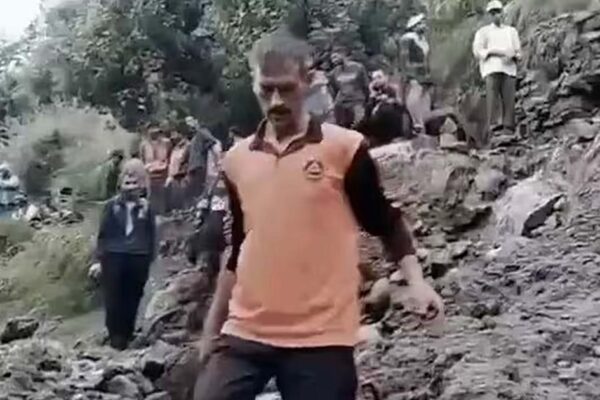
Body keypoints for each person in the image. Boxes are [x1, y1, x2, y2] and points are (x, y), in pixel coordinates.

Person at [193, 30, 444, 400]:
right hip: (248, 330)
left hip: (321, 337)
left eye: (286, 89)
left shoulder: (344, 149)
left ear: (308, 81)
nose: (275, 101)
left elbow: (386, 222)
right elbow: (237, 251)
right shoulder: (237, 160)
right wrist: (211, 330)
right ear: (253, 84)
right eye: (266, 90)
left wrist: (417, 283)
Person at [96, 158, 157, 350]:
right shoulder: (111, 206)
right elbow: (102, 234)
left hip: (138, 257)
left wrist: (150, 258)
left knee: (133, 297)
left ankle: (127, 333)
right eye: (127, 182)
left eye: (134, 183)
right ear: (120, 184)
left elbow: (152, 234)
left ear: (141, 185)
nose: (130, 187)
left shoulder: (146, 208)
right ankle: (115, 335)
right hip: (114, 256)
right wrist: (98, 260)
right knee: (113, 298)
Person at [473, 0, 521, 144]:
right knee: (493, 99)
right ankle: (493, 129)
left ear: (503, 13)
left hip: (509, 69)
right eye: (492, 13)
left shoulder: (511, 31)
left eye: (498, 12)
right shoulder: (483, 32)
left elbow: (518, 51)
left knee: (509, 98)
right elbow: (478, 51)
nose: (496, 15)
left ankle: (508, 128)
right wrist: (496, 52)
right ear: (489, 15)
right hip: (492, 68)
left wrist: (513, 55)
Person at [400, 13, 433, 135]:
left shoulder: (423, 40)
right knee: (414, 99)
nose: (424, 25)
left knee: (425, 100)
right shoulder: (407, 39)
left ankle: (424, 126)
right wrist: (409, 75)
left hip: (424, 75)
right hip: (414, 74)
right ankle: (416, 123)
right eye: (421, 23)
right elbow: (404, 59)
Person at [330, 49, 370, 129]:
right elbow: (334, 89)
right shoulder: (334, 72)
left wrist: (366, 100)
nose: (333, 60)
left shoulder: (358, 67)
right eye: (332, 59)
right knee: (341, 127)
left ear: (342, 54)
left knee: (359, 124)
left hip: (357, 101)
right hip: (342, 103)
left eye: (335, 57)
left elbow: (365, 85)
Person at [186, 118, 222, 202]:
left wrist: (203, 149)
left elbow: (212, 140)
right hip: (193, 164)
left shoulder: (202, 131)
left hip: (199, 164)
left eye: (191, 122)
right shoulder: (195, 135)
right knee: (193, 190)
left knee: (199, 189)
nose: (189, 125)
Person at [139, 123, 171, 215]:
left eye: (155, 130)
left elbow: (169, 157)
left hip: (163, 173)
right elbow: (142, 159)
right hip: (150, 174)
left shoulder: (166, 143)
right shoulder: (144, 145)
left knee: (163, 195)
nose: (153, 132)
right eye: (151, 130)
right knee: (151, 195)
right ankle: (151, 214)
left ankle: (164, 213)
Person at [166, 126, 190, 212]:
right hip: (174, 178)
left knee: (184, 200)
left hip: (183, 177)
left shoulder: (188, 146)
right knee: (176, 201)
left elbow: (187, 161)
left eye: (174, 133)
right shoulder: (175, 147)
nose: (172, 136)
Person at [304, 57, 335, 124]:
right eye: (307, 70)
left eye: (312, 68)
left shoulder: (322, 75)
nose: (311, 71)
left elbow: (329, 90)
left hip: (327, 111)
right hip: (311, 114)